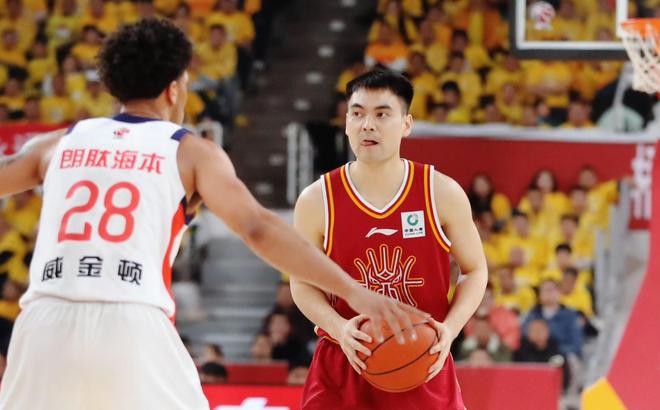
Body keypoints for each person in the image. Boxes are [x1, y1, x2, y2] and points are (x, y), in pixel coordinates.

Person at [0, 19, 425, 409]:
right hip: (129, 319)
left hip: (42, 322)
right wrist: (354, 291)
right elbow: (257, 228)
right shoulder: (188, 151)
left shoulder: (57, 143)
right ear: (174, 89)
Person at [291, 70, 488, 409]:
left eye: (382, 114)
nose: (367, 125)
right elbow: (302, 282)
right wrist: (339, 328)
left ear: (406, 124)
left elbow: (475, 270)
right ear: (347, 123)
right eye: (357, 114)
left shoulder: (441, 192)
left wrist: (450, 329)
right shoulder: (316, 199)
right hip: (344, 359)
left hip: (422, 358)